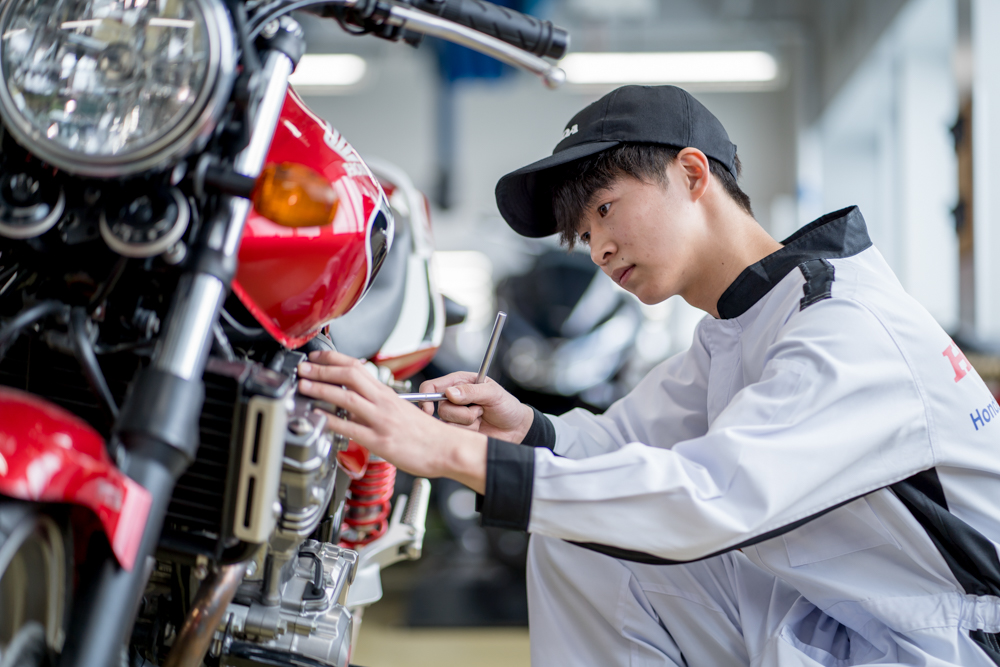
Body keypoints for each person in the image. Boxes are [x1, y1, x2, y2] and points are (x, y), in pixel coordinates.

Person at [296, 85, 1000, 666]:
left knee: (597, 524)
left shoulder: (843, 326)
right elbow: (623, 451)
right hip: (848, 619)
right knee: (578, 541)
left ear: (693, 175)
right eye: (582, 233)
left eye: (604, 210)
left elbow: (708, 496)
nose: (598, 247)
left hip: (948, 641)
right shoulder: (741, 327)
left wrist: (451, 453)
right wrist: (523, 429)